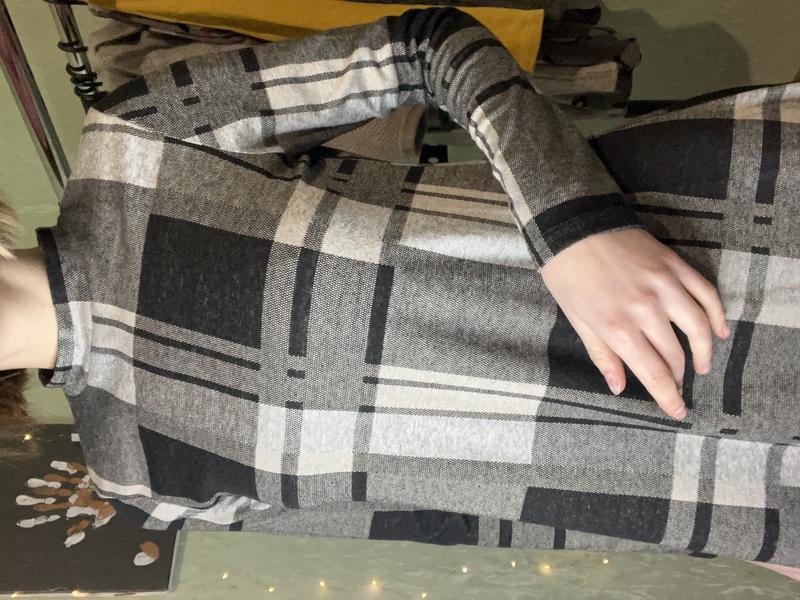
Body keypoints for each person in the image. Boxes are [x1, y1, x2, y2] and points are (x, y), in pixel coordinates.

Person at [1, 6, 798, 576]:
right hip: (724, 471)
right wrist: (741, 536)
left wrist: (574, 227)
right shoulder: (136, 478)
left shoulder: (137, 141)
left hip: (727, 247)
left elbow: (427, 46)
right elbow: (467, 520)